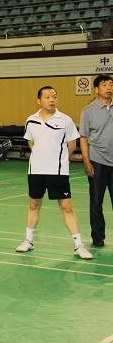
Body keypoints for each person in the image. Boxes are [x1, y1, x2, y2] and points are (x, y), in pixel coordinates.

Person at [15, 86, 93, 260]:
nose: (52, 100)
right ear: (39, 100)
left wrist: (59, 158)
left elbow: (72, 144)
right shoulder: (31, 120)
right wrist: (40, 156)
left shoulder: (65, 120)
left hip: (58, 171)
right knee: (34, 205)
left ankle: (79, 245)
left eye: (54, 97)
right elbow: (31, 142)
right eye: (48, 97)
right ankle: (28, 240)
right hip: (36, 171)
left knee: (66, 207)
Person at [79, 74, 113, 248]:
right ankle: (98, 237)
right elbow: (83, 138)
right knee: (96, 201)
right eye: (105, 85)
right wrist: (87, 162)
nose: (109, 87)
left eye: (111, 84)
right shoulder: (88, 111)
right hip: (97, 161)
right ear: (97, 89)